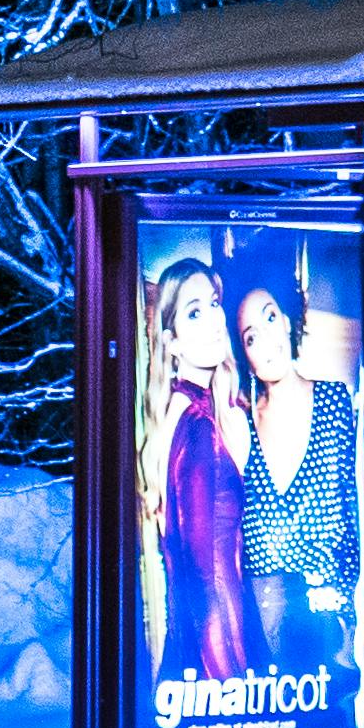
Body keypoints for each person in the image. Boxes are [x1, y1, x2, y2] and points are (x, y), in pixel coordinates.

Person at [235, 249, 364, 678]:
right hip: (264, 628)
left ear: (289, 319)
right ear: (243, 352)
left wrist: (344, 615)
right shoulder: (238, 423)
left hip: (331, 618)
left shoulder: (333, 401)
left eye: (270, 317)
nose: (265, 339)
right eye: (250, 336)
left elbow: (350, 510)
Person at [140, 252, 253, 697]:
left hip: (197, 668)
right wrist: (235, 693)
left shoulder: (191, 411)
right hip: (216, 669)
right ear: (172, 343)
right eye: (193, 312)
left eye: (212, 303)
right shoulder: (197, 425)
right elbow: (208, 578)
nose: (212, 320)